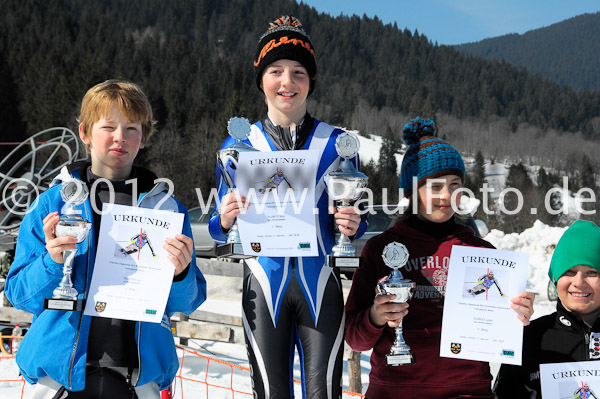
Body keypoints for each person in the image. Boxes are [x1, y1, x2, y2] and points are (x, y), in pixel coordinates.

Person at [5, 79, 207, 398]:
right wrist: (51, 263)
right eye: (108, 126)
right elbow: (19, 296)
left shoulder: (167, 210)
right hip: (59, 382)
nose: (119, 137)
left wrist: (181, 275)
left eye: (131, 128)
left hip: (135, 382)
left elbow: (187, 302)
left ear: (144, 137)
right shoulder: (52, 204)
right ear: (85, 132)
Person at [209, 15, 366, 399]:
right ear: (262, 79)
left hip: (320, 283)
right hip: (263, 285)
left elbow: (359, 223)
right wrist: (225, 217)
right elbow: (216, 228)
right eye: (276, 70)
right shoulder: (238, 147)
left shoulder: (339, 143)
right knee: (269, 393)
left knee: (324, 393)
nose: (287, 82)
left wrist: (352, 223)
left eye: (298, 72)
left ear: (310, 81)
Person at [344, 116, 535, 399]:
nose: (447, 195)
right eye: (435, 186)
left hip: (467, 391)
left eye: (455, 185)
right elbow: (355, 339)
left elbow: (502, 335)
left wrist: (518, 315)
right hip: (395, 391)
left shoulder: (481, 252)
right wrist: (376, 315)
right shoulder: (381, 249)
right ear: (412, 189)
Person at [494, 220, 600, 398]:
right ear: (556, 278)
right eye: (569, 271)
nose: (579, 283)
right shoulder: (528, 338)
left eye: (591, 272)